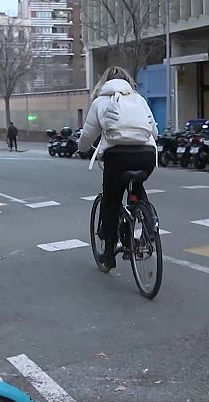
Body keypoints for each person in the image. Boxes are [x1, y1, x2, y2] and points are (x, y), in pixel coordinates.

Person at [79, 66, 158, 271]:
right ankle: (149, 225)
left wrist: (82, 149)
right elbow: (154, 132)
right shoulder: (139, 100)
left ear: (104, 82)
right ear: (128, 82)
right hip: (146, 156)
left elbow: (88, 135)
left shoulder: (100, 102)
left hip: (117, 158)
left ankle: (108, 254)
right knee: (137, 186)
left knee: (111, 200)